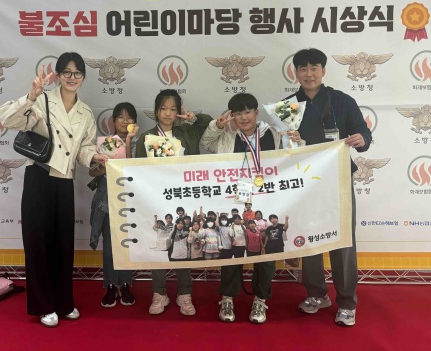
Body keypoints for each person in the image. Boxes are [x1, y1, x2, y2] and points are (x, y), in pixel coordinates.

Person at [0, 52, 108, 328]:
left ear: (83, 77)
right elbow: (7, 120)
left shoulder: (85, 113)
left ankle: (63, 302)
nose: (72, 77)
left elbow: (83, 148)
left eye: (77, 73)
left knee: (63, 245)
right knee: (38, 243)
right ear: (57, 76)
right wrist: (31, 96)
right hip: (39, 176)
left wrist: (94, 157)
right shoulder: (43, 100)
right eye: (67, 72)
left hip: (65, 181)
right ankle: (44, 305)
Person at [200, 92, 302, 324]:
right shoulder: (227, 137)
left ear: (256, 113)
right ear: (232, 116)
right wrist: (217, 126)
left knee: (266, 253)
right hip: (235, 203)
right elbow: (204, 144)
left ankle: (260, 300)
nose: (243, 117)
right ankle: (227, 297)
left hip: (268, 202)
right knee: (232, 250)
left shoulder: (275, 133)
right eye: (238, 113)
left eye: (247, 112)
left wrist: (297, 140)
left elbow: (295, 157)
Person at [287, 47, 371, 327]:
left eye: (314, 68)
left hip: (338, 180)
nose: (308, 74)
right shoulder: (288, 106)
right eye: (303, 68)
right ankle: (316, 294)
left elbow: (364, 132)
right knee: (310, 238)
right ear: (296, 73)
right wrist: (288, 139)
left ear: (323, 71)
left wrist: (362, 139)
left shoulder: (342, 101)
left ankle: (347, 302)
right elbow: (282, 148)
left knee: (343, 240)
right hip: (305, 182)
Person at [135, 89, 212, 316]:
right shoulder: (146, 137)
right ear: (156, 111)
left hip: (183, 198)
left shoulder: (187, 131)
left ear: (178, 111)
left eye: (173, 109)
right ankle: (159, 293)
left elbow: (209, 124)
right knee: (160, 246)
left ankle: (184, 293)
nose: (167, 113)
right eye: (163, 109)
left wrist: (193, 118)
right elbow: (137, 170)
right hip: (156, 199)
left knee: (183, 246)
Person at [89, 102, 139, 309]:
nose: (125, 121)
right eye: (121, 117)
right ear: (113, 121)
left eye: (129, 117)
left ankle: (125, 284)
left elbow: (132, 169)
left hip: (131, 200)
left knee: (126, 245)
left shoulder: (141, 143)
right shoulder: (106, 143)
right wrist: (106, 166)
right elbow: (92, 171)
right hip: (107, 200)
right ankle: (110, 285)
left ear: (135, 122)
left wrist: (128, 141)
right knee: (109, 245)